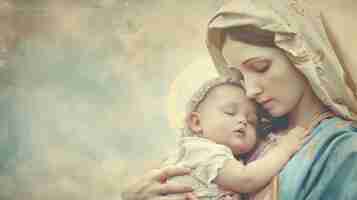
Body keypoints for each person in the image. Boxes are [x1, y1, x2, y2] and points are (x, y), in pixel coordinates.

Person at [121, 0, 357, 199]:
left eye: (260, 67)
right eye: (240, 77)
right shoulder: (242, 143)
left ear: (300, 55)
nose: (250, 90)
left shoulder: (343, 149)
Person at [160, 76, 306, 200]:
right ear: (197, 123)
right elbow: (246, 179)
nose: (243, 120)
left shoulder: (233, 159)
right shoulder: (199, 149)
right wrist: (285, 148)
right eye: (230, 112)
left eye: (252, 121)